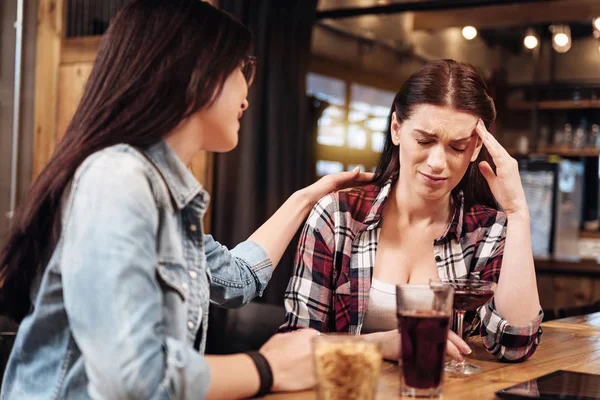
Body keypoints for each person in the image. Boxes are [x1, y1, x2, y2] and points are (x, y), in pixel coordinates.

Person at [0, 1, 371, 399]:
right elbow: (134, 380)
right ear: (198, 72)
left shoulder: (164, 197)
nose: (247, 95)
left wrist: (309, 195)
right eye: (241, 69)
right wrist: (268, 368)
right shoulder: (120, 179)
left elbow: (239, 280)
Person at [280, 60, 543, 363]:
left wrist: (518, 212)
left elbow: (515, 345)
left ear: (473, 150)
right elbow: (295, 344)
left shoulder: (487, 229)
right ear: (396, 129)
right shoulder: (338, 217)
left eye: (457, 147)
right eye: (424, 140)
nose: (437, 162)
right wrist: (385, 345)